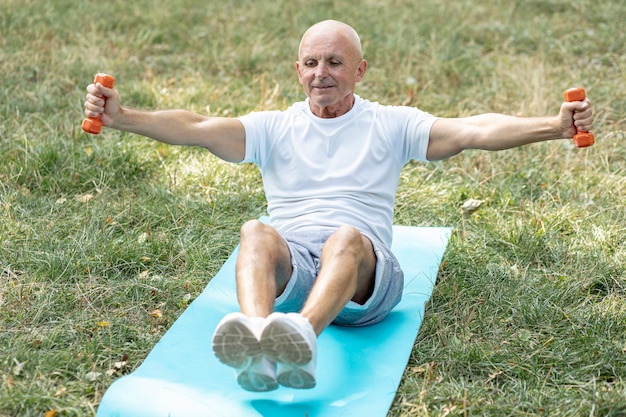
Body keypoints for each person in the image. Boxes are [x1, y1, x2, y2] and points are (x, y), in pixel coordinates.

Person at [83, 19, 595, 392]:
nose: (320, 73)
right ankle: (262, 342)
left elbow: (472, 130)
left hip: (365, 278)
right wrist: (123, 116)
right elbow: (195, 128)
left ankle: (300, 337)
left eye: (334, 62)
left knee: (345, 237)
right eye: (311, 63)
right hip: (297, 273)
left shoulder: (390, 124)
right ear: (298, 70)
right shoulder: (275, 127)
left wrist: (553, 126)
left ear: (360, 69)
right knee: (255, 231)